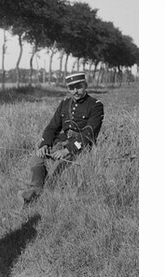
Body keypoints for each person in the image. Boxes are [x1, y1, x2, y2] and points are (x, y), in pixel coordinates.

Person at [18, 72, 104, 204]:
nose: (75, 91)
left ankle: (34, 196)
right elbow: (52, 127)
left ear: (85, 85)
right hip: (61, 141)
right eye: (71, 88)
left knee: (56, 168)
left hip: (81, 145)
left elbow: (89, 133)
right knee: (36, 159)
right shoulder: (65, 103)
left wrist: (67, 150)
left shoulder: (95, 105)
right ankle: (35, 189)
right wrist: (45, 144)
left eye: (79, 87)